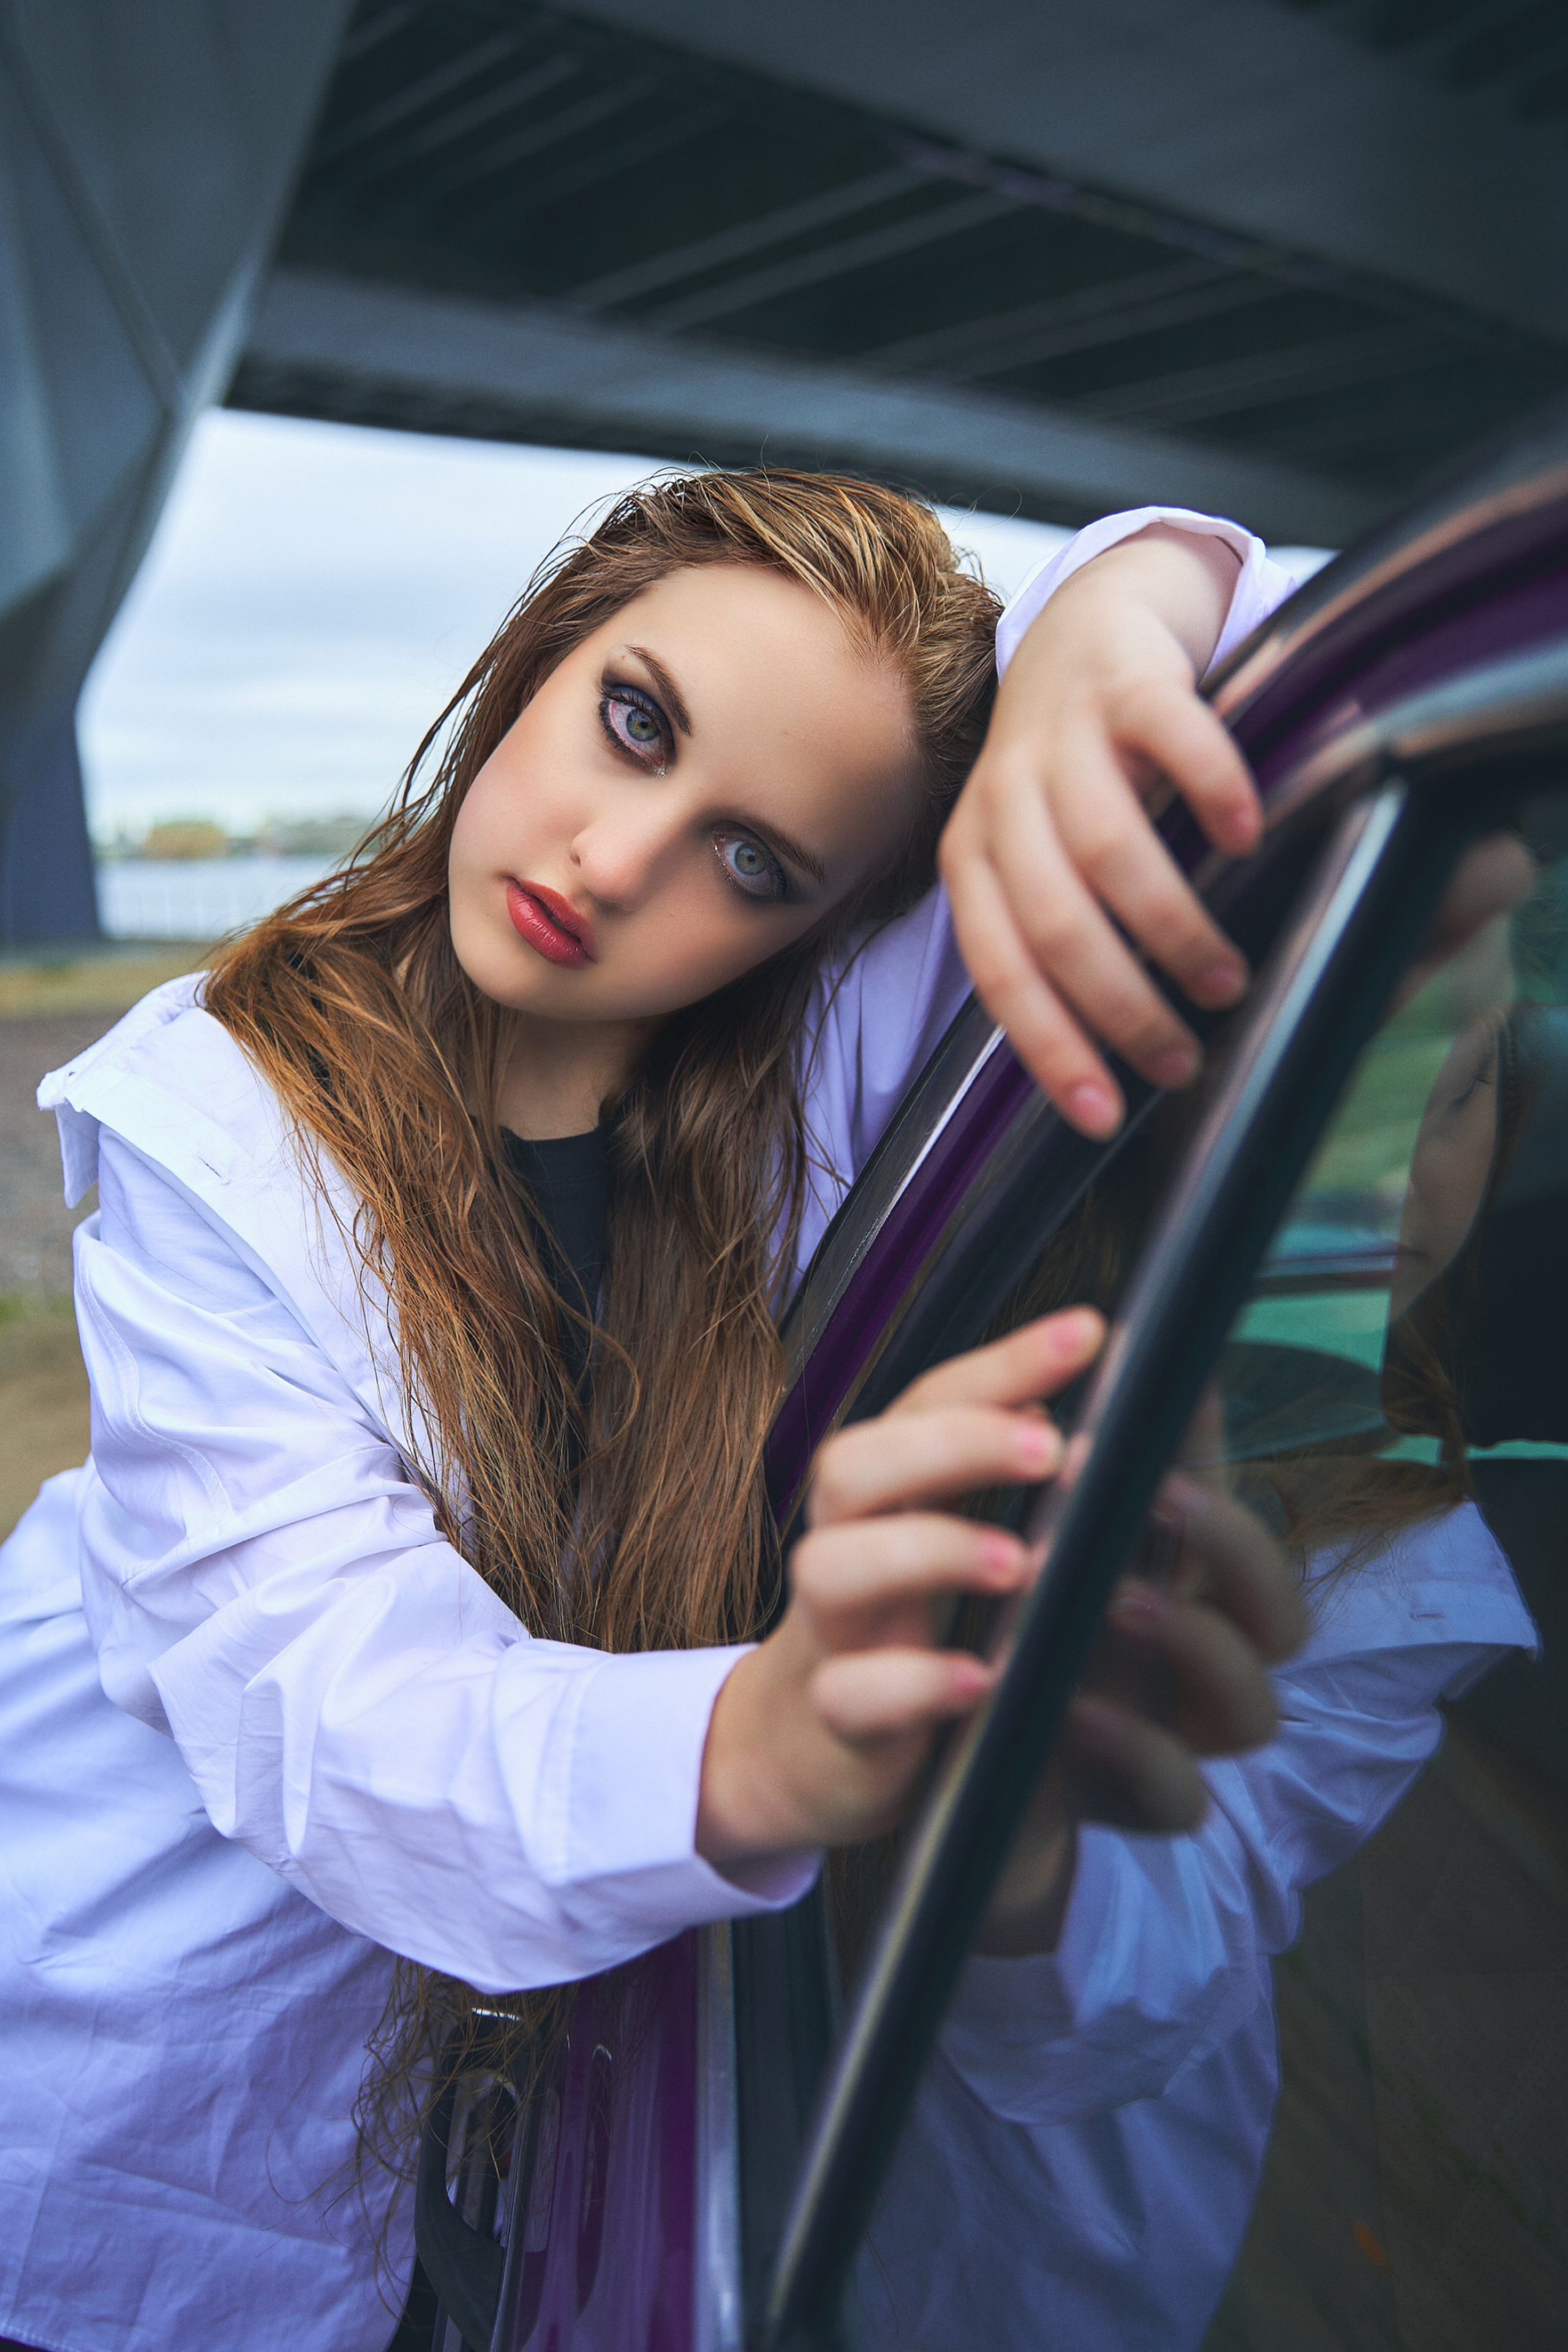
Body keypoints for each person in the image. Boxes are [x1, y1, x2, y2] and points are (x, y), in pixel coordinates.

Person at [0, 470, 1298, 2352]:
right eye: (633, 720)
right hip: (97, 2036)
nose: (616, 862)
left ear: (824, 924)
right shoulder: (218, 1117)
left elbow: (1350, 663)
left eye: (753, 861)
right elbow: (338, 1696)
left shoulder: (801, 1105)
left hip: (451, 2143)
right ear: (540, 651)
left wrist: (1127, 612)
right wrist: (760, 1745)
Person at [854, 884, 1544, 2352]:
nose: (1412, 1187)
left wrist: (1027, 1806)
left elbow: (1140, 1980)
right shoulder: (888, 1273)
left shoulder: (1405, 1561)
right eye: (1339, 1083)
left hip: (1021, 2265)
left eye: (1464, 1081)